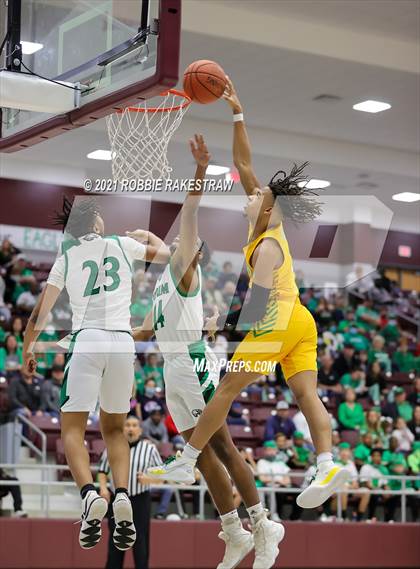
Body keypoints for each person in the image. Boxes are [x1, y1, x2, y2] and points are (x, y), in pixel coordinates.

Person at [147, 78, 349, 516]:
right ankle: (328, 463)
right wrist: (237, 112)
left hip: (278, 321)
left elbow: (257, 310)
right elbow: (243, 161)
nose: (252, 192)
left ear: (269, 208)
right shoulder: (265, 221)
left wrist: (223, 324)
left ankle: (184, 462)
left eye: (258, 194)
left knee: (225, 389)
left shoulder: (269, 246)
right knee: (306, 394)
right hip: (301, 322)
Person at [134, 135, 268, 569]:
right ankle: (233, 532)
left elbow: (188, 214)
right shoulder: (163, 284)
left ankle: (262, 524)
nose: (169, 244)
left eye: (177, 245)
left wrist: (199, 170)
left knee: (225, 447)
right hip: (175, 369)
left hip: (192, 365)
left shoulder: (184, 273)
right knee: (204, 452)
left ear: (189, 254)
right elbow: (145, 330)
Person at [22, 196, 169, 550]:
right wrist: (148, 234)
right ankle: (121, 495)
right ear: (96, 223)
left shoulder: (67, 257)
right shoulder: (120, 243)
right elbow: (165, 255)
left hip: (86, 340)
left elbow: (40, 312)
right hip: (121, 342)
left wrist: (29, 346)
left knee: (72, 428)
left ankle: (90, 495)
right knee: (115, 429)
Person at [98, 416, 163, 569]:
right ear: (122, 429)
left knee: (140, 541)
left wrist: (149, 479)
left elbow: (161, 477)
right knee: (116, 540)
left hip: (140, 499)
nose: (131, 428)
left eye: (134, 425)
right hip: (117, 499)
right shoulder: (112, 446)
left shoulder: (150, 449)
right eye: (127, 425)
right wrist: (102, 488)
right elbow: (102, 471)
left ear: (140, 430)